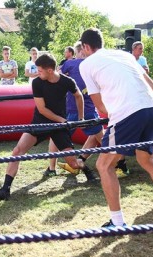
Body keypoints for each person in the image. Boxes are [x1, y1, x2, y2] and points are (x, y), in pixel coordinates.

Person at [79, 28, 153, 228]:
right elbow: (152, 85)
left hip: (127, 112)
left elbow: (99, 105)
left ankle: (117, 221)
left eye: (83, 49)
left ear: (86, 46)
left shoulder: (86, 64)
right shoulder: (124, 55)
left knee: (104, 165)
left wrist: (113, 113)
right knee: (146, 159)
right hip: (151, 108)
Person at [0, 53, 97, 201]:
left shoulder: (67, 81)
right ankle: (5, 189)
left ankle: (86, 169)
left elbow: (79, 96)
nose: (37, 73)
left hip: (59, 128)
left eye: (40, 70)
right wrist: (63, 120)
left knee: (73, 164)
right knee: (17, 151)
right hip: (40, 123)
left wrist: (81, 118)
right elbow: (43, 109)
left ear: (50, 70)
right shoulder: (37, 82)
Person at [45, 41, 104, 177]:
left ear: (78, 52)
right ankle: (120, 164)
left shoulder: (70, 64)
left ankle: (52, 168)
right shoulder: (93, 66)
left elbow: (55, 77)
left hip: (71, 109)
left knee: (55, 137)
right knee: (101, 137)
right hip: (89, 109)